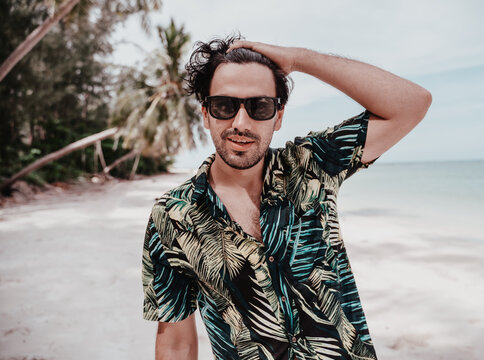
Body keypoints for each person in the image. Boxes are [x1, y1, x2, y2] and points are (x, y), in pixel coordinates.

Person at [142, 34, 432, 360]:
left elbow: (412, 104)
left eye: (259, 106)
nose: (240, 122)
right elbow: (177, 342)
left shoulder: (310, 166)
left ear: (278, 117)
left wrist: (300, 59)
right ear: (206, 114)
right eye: (224, 106)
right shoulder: (172, 215)